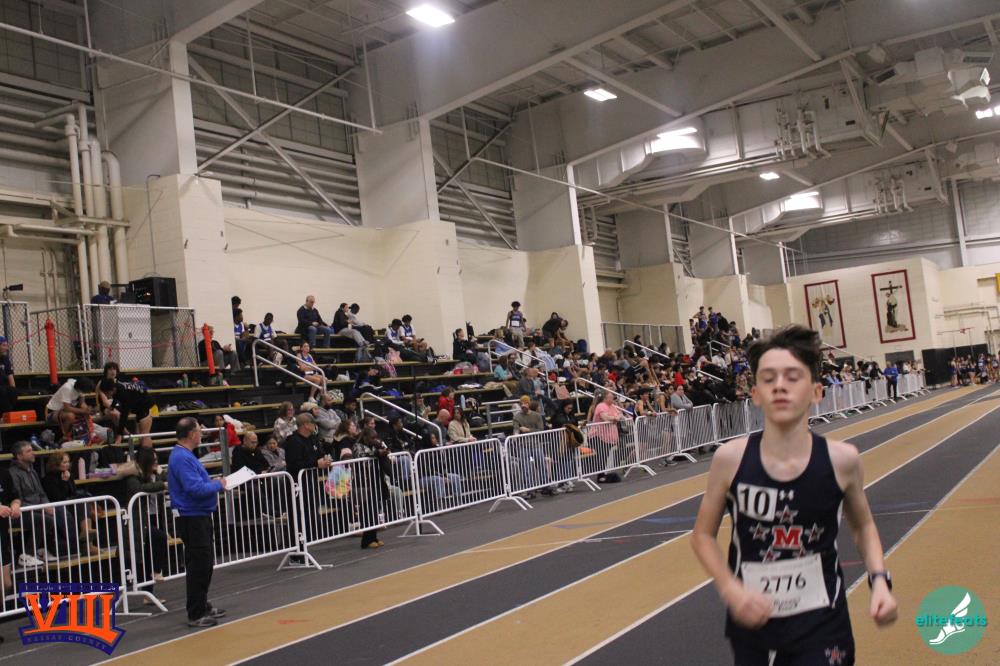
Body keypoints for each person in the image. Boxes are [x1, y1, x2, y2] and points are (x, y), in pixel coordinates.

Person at [691, 326, 897, 666]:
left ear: (817, 391)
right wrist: (731, 589)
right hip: (753, 620)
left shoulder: (843, 460)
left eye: (792, 377)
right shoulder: (730, 460)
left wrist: (879, 581)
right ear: (755, 394)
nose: (780, 386)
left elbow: (863, 527)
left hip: (822, 622)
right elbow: (702, 535)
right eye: (768, 378)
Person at [167, 417, 228, 628]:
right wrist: (218, 485)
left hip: (198, 514)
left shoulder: (185, 456)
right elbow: (194, 489)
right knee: (199, 565)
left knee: (204, 563)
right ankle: (196, 611)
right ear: (192, 434)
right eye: (199, 431)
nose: (201, 434)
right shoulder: (181, 458)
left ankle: (202, 604)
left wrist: (213, 484)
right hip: (192, 516)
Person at [124, 446, 168, 593]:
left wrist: (161, 474)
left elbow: (169, 483)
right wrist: (161, 484)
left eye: (157, 460)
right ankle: (156, 571)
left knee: (150, 552)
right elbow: (139, 489)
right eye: (153, 460)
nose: (156, 463)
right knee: (159, 538)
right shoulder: (133, 475)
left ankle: (148, 593)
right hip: (139, 520)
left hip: (154, 516)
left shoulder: (153, 474)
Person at [100, 377, 155, 448]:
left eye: (107, 393)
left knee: (144, 436)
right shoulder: (116, 386)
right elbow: (116, 397)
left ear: (112, 389)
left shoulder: (124, 393)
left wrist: (119, 434)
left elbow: (124, 416)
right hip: (139, 407)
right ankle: (142, 453)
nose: (106, 396)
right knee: (139, 437)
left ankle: (149, 453)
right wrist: (112, 407)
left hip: (146, 406)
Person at [283, 413, 333, 480]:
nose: (315, 425)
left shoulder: (313, 438)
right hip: (298, 481)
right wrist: (316, 463)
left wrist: (325, 459)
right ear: (306, 425)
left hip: (313, 480)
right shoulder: (293, 441)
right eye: (313, 422)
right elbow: (294, 464)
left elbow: (321, 454)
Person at [0, 336, 17, 416]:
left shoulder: (5, 359)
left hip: (3, 386)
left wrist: (13, 389)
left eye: (6, 345)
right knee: (2, 391)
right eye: (4, 345)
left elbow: (10, 376)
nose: (6, 348)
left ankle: (8, 415)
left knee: (12, 391)